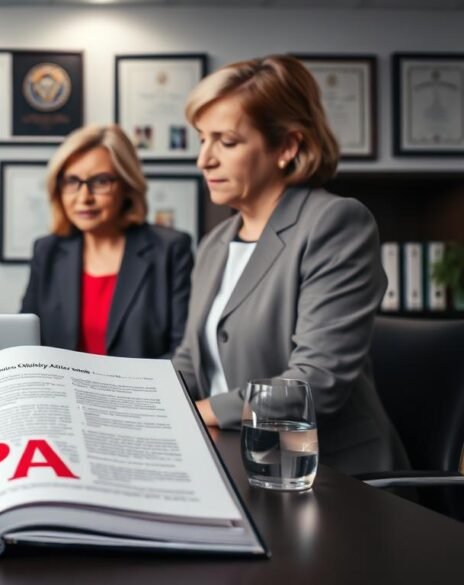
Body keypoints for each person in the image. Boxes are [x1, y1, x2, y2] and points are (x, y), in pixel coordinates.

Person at [172, 54, 406, 474]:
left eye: (225, 141)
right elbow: (191, 363)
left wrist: (197, 413)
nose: (203, 160)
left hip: (328, 474)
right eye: (201, 139)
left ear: (287, 146)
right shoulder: (215, 243)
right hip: (234, 459)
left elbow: (315, 383)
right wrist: (124, 401)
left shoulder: (335, 224)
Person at [20, 124, 193, 358]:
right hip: (59, 394)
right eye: (72, 181)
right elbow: (25, 343)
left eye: (100, 181)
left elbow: (183, 353)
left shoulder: (171, 250)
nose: (84, 197)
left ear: (127, 186)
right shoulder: (47, 251)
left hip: (141, 393)